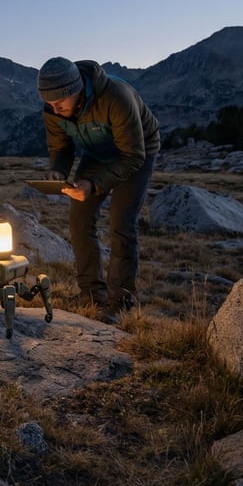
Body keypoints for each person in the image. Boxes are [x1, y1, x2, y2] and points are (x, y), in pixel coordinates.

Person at [37, 56, 160, 324]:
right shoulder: (53, 109)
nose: (54, 110)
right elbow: (61, 149)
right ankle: (92, 293)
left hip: (136, 153)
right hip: (97, 153)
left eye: (59, 103)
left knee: (121, 223)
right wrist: (58, 171)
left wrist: (94, 185)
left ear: (76, 89)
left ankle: (121, 302)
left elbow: (133, 156)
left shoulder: (116, 96)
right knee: (79, 221)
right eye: (49, 104)